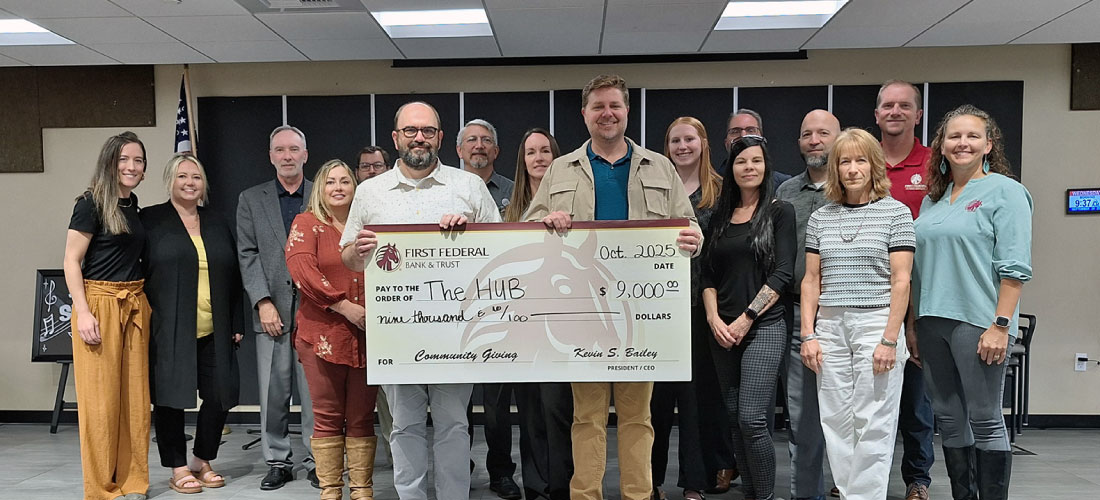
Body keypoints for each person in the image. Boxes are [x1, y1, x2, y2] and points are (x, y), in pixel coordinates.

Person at [525, 74, 703, 500]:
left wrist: (693, 240)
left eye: (615, 106)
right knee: (586, 416)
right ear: (584, 114)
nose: (607, 114)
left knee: (638, 417)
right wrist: (546, 221)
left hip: (640, 314)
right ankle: (586, 495)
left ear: (627, 111)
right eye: (598, 107)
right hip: (582, 315)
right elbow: (529, 225)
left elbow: (690, 225)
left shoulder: (659, 167)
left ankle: (638, 495)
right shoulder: (560, 169)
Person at [340, 101, 501, 500]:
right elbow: (348, 256)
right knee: (404, 424)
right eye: (411, 131)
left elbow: (499, 249)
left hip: (456, 330)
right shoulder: (370, 191)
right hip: (396, 331)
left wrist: (471, 234)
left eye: (428, 131)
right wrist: (358, 251)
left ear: (440, 138)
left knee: (453, 424)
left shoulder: (469, 187)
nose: (419, 138)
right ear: (396, 138)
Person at [913, 105, 1032, 500]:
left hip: (979, 322)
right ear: (942, 146)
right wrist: (912, 326)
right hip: (931, 321)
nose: (962, 143)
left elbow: (1015, 267)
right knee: (948, 418)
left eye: (972, 136)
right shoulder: (933, 200)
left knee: (984, 417)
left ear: (988, 145)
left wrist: (1001, 325)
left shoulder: (1006, 192)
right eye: (954, 136)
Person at [799, 128, 915, 500]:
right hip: (829, 324)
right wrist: (808, 334)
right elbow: (811, 280)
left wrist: (889, 339)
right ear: (835, 168)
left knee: (874, 419)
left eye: (860, 160)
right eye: (844, 161)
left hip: (877, 321)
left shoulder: (896, 213)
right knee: (835, 418)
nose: (852, 169)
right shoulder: (821, 217)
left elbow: (901, 280)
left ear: (874, 165)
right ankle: (852, 494)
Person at [142, 154, 242, 494]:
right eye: (182, 176)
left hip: (216, 327)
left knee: (220, 394)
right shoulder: (151, 220)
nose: (190, 183)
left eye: (196, 177)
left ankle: (201, 460)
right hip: (168, 328)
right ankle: (178, 466)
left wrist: (237, 321)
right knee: (169, 398)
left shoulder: (217, 220)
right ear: (170, 180)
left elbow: (234, 275)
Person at [702, 134, 796, 500]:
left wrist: (746, 317)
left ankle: (766, 496)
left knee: (752, 419)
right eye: (741, 162)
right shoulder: (718, 218)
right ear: (731, 169)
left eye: (756, 161)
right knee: (734, 419)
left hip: (763, 326)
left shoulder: (779, 211)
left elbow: (783, 273)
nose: (749, 167)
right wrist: (714, 319)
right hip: (722, 330)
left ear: (766, 165)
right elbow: (707, 275)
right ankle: (752, 493)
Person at [62, 131, 152, 500]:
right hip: (99, 303)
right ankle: (101, 488)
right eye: (123, 160)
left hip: (134, 303)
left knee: (134, 400)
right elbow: (71, 261)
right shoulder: (90, 204)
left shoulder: (133, 205)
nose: (131, 166)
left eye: (138, 160)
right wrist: (83, 312)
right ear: (109, 164)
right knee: (100, 403)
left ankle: (133, 481)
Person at [286, 159, 380, 500]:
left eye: (344, 181)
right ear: (319, 189)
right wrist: (344, 307)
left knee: (362, 417)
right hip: (322, 335)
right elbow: (302, 271)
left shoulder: (369, 226)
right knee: (327, 416)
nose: (338, 188)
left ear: (355, 187)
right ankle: (330, 490)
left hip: (368, 335)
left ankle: (362, 490)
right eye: (330, 182)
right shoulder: (307, 223)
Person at [649, 117, 727, 500]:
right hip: (657, 308)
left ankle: (695, 481)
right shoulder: (654, 188)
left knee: (696, 400)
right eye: (675, 140)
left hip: (701, 307)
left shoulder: (721, 191)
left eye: (689, 139)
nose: (682, 146)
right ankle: (650, 482)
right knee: (655, 402)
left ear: (703, 143)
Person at [237, 125, 316, 490]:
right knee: (272, 393)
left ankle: (319, 459)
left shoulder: (321, 194)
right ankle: (278, 462)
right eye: (280, 150)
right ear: (271, 156)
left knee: (316, 393)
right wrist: (262, 301)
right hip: (271, 312)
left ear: (305, 155)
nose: (287, 156)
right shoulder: (251, 199)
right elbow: (247, 253)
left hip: (316, 312)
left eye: (294, 149)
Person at [503, 128, 575, 500]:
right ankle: (535, 486)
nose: (539, 158)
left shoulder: (572, 198)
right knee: (530, 409)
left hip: (565, 322)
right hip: (522, 325)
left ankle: (562, 485)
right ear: (523, 160)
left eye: (546, 150)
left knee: (558, 408)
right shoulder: (510, 208)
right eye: (531, 152)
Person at [874, 80, 936, 500]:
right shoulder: (863, 160)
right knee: (865, 400)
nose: (895, 112)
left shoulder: (934, 165)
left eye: (904, 105)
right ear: (877, 114)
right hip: (867, 294)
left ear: (918, 114)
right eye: (887, 105)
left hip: (919, 294)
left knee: (915, 400)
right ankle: (858, 478)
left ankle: (917, 479)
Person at [456, 118, 521, 499]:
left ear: (496, 150)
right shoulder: (447, 189)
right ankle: (457, 467)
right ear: (459, 150)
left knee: (497, 403)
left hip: (501, 307)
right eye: (471, 140)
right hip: (452, 308)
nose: (478, 146)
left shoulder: (513, 192)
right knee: (457, 402)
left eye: (485, 141)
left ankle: (501, 472)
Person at [776, 109, 840, 500]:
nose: (814, 140)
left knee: (849, 412)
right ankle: (806, 493)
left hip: (846, 313)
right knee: (801, 414)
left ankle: (848, 486)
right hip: (796, 312)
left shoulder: (853, 187)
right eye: (806, 134)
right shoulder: (785, 192)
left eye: (823, 133)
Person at [725, 109, 791, 185]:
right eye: (735, 131)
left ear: (762, 141)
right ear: (726, 144)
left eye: (750, 130)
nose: (744, 136)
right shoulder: (715, 185)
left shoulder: (784, 185)